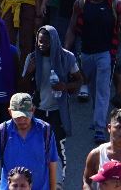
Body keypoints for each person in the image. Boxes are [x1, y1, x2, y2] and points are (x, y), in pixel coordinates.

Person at [66, 0, 121, 143]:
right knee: (93, 88)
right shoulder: (80, 3)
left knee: (103, 90)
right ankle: (99, 119)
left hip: (106, 54)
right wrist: (66, 51)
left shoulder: (115, 4)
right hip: (86, 54)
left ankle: (99, 127)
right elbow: (72, 28)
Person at [22, 25, 81, 186]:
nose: (42, 45)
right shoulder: (32, 58)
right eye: (40, 41)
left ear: (54, 41)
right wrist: (29, 72)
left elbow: (79, 80)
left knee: (58, 149)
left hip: (57, 113)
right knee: (35, 148)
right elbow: (23, 88)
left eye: (46, 42)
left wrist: (64, 86)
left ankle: (58, 183)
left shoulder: (67, 57)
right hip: (37, 111)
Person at [0, 93, 58, 190]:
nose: (22, 120)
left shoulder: (45, 131)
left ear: (33, 110)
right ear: (10, 112)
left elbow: (52, 165)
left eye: (25, 116)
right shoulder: (2, 131)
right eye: (18, 117)